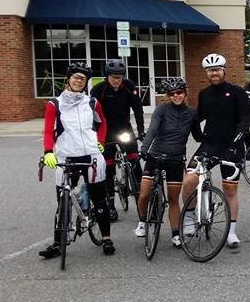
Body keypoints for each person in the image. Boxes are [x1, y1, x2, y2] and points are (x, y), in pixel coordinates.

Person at [39, 62, 115, 258]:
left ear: (86, 82)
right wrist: (48, 151)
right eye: (76, 77)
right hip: (66, 156)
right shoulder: (54, 104)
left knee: (99, 200)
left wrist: (100, 142)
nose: (79, 80)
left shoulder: (92, 102)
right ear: (69, 79)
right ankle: (57, 243)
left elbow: (102, 123)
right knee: (62, 202)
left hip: (91, 156)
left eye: (83, 78)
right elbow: (48, 130)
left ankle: (106, 238)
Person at [180, 53, 250, 248]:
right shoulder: (204, 94)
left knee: (230, 189)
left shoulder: (237, 92)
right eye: (210, 70)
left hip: (232, 146)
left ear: (224, 70)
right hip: (210, 145)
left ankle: (231, 232)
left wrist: (239, 136)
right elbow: (198, 117)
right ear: (207, 73)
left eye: (217, 69)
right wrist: (196, 135)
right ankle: (188, 221)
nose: (214, 73)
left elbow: (246, 118)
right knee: (188, 181)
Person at [134, 77, 202, 247]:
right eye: (172, 94)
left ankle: (175, 234)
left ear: (185, 93)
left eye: (179, 92)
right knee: (143, 194)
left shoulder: (192, 114)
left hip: (176, 159)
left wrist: (217, 137)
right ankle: (142, 221)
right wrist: (144, 149)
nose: (176, 96)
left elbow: (198, 136)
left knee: (173, 199)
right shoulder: (162, 110)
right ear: (168, 96)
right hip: (155, 156)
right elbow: (152, 130)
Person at [90, 58, 145, 221]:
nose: (116, 80)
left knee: (136, 165)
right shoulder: (98, 90)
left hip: (125, 129)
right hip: (106, 132)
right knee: (108, 169)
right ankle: (111, 205)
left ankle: (142, 201)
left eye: (119, 77)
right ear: (107, 76)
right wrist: (94, 135)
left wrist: (141, 131)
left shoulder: (129, 86)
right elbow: (92, 116)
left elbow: (138, 109)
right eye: (114, 77)